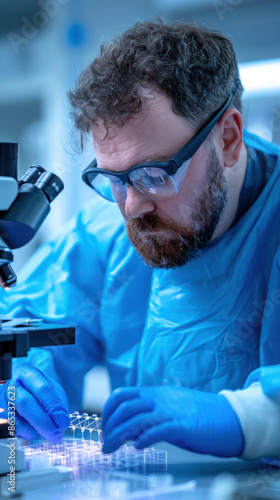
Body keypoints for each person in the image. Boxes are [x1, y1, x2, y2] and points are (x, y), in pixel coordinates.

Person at [1, 19, 280, 460]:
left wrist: (251, 417)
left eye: (154, 174)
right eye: (112, 179)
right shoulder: (103, 237)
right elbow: (30, 322)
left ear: (227, 139)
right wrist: (17, 379)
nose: (132, 206)